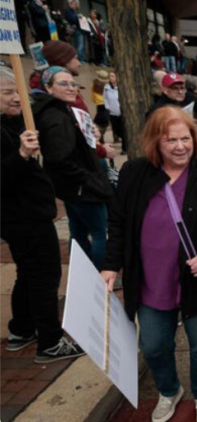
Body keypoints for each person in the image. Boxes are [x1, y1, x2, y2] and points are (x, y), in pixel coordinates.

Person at [101, 106, 197, 422]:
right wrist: (111, 264)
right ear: (155, 143)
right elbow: (119, 222)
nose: (181, 146)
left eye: (186, 138)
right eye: (171, 141)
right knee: (152, 347)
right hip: (151, 281)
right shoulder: (134, 173)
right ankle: (169, 390)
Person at [1, 66, 87, 363]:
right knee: (45, 277)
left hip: (30, 215)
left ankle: (22, 329)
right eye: (8, 93)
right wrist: (22, 155)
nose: (16, 98)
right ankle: (50, 341)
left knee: (28, 274)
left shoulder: (14, 123)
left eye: (17, 91)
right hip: (23, 219)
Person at [32, 67, 112, 270]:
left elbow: (69, 150)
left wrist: (87, 135)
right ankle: (99, 277)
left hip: (73, 188)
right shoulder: (56, 118)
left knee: (77, 233)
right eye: (63, 84)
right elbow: (60, 159)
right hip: (81, 188)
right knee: (100, 233)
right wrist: (90, 181)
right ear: (49, 88)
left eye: (72, 83)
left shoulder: (60, 111)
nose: (70, 88)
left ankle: (83, 273)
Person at [103, 71, 128, 154]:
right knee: (116, 130)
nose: (111, 78)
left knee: (123, 131)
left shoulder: (121, 87)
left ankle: (125, 148)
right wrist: (107, 107)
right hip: (112, 113)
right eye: (110, 76)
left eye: (113, 76)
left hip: (121, 112)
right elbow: (105, 98)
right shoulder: (106, 87)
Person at [91, 70, 110, 143]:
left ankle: (100, 136)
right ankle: (100, 136)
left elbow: (92, 95)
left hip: (99, 105)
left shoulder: (94, 83)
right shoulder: (107, 85)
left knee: (99, 121)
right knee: (104, 122)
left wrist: (95, 100)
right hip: (106, 104)